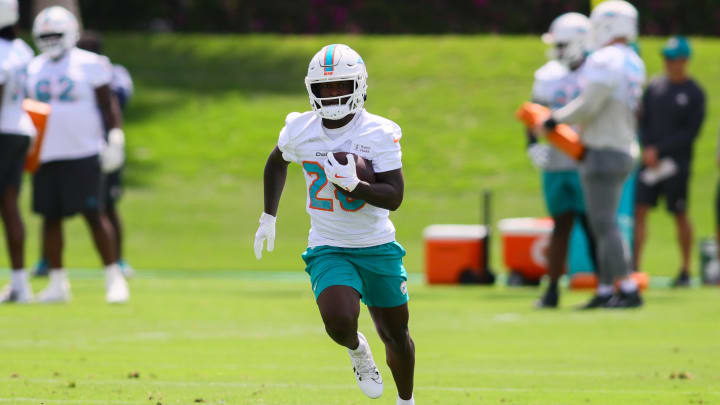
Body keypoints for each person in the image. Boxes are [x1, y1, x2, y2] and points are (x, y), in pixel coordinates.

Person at [254, 44, 416, 405]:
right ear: (312, 89)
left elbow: (394, 196)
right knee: (338, 321)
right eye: (324, 88)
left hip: (376, 246)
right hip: (329, 245)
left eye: (340, 85)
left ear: (357, 85)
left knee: (396, 333)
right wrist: (269, 215)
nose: (331, 94)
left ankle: (406, 400)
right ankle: (358, 350)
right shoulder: (300, 129)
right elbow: (276, 162)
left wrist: (355, 185)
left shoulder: (378, 132)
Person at [538, 0, 646, 308]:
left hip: (603, 148)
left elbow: (589, 103)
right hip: (623, 145)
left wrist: (555, 119)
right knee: (604, 222)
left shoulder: (606, 58)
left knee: (604, 223)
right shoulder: (633, 59)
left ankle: (625, 286)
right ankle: (606, 290)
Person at [26, 6, 129, 303]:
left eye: (56, 34)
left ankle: (113, 277)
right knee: (50, 218)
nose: (51, 40)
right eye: (45, 35)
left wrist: (115, 137)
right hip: (45, 153)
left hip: (83, 150)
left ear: (70, 33)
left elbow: (108, 105)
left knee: (94, 214)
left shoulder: (91, 63)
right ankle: (57, 283)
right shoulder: (33, 68)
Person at [529, 12, 598, 308]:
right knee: (560, 224)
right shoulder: (548, 74)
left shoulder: (596, 71)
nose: (557, 50)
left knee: (594, 224)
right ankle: (553, 289)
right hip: (557, 161)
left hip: (586, 159)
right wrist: (532, 145)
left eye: (562, 44)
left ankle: (606, 287)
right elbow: (534, 113)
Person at [633, 36, 705, 287]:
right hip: (649, 162)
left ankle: (685, 269)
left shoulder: (694, 93)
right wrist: (647, 149)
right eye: (666, 58)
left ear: (684, 61)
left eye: (673, 59)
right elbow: (642, 121)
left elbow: (690, 133)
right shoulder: (654, 87)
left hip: (677, 164)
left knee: (680, 213)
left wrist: (660, 150)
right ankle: (635, 268)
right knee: (639, 211)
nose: (669, 63)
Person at [0, 0, 35, 303]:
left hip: (1, 131)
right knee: (10, 205)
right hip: (20, 128)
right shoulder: (22, 49)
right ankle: (20, 283)